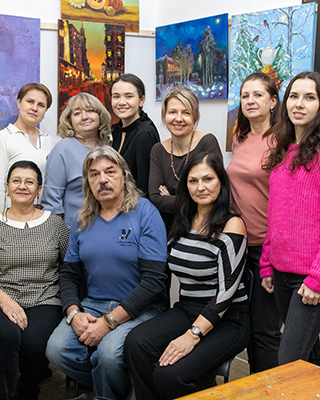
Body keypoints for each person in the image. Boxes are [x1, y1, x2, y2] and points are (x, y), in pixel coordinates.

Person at [45, 146, 168, 399]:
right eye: (94, 174)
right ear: (88, 182)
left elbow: (154, 281)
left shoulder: (145, 213)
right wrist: (73, 313)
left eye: (110, 172)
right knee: (56, 349)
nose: (102, 180)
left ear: (124, 176)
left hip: (140, 308)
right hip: (94, 304)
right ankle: (117, 384)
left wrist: (109, 322)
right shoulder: (82, 219)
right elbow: (69, 275)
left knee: (109, 355)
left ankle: (107, 388)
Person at [125, 152, 250, 400]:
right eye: (193, 181)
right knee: (136, 343)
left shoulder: (232, 224)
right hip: (187, 308)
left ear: (221, 182)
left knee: (169, 375)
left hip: (228, 319)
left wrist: (192, 335)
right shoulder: (182, 221)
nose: (200, 187)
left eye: (208, 179)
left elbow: (226, 293)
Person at [260, 71, 320, 367]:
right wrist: (267, 261)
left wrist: (319, 279)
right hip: (280, 272)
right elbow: (276, 213)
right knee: (309, 359)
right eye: (293, 96)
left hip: (311, 277)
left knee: (289, 362)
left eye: (309, 97)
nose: (299, 104)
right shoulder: (283, 148)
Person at [0, 160, 69, 400]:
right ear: (7, 187)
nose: (22, 186)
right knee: (7, 336)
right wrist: (6, 303)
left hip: (45, 299)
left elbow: (70, 268)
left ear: (39, 189)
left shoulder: (55, 224)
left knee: (33, 344)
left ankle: (27, 392)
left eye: (29, 182)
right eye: (16, 181)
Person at [226, 72, 282, 373]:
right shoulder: (240, 136)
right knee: (245, 326)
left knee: (266, 331)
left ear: (273, 101)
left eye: (258, 95)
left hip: (268, 248)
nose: (250, 101)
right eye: (245, 95)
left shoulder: (283, 140)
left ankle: (268, 390)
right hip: (239, 245)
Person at [149, 86, 223, 228]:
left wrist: (170, 199)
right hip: (169, 228)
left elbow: (215, 193)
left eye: (186, 113)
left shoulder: (207, 142)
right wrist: (194, 199)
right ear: (165, 115)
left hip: (203, 226)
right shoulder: (158, 150)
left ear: (195, 117)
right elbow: (155, 199)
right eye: (172, 112)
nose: (178, 118)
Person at [41, 92, 111, 227]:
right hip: (75, 230)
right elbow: (51, 201)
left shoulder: (109, 147)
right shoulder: (63, 149)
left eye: (90, 110)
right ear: (70, 120)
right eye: (77, 113)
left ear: (100, 115)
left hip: (109, 228)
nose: (84, 117)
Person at [0, 83, 55, 215]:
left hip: (41, 216)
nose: (34, 108)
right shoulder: (1, 138)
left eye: (41, 105)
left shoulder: (49, 141)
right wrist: (1, 221)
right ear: (18, 103)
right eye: (30, 102)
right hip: (13, 217)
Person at [110, 73, 160, 196]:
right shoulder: (116, 130)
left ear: (141, 100)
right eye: (116, 96)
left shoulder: (144, 134)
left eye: (129, 96)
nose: (121, 102)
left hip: (136, 205)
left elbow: (144, 188)